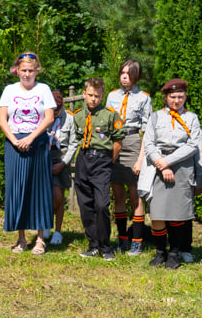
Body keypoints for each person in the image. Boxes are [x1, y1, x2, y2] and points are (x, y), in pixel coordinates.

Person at [137, 79, 202, 269]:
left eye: (180, 96)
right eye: (172, 97)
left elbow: (193, 145)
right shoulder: (156, 117)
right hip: (158, 167)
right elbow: (149, 143)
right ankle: (160, 252)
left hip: (182, 168)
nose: (176, 100)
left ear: (185, 97)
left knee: (177, 213)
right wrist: (162, 164)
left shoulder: (191, 118)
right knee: (158, 213)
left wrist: (169, 161)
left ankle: (174, 253)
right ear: (165, 98)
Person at [0, 51, 56, 255]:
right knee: (18, 189)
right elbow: (1, 119)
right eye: (24, 70)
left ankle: (40, 239)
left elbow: (49, 118)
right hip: (14, 145)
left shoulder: (44, 89)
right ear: (17, 71)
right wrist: (15, 140)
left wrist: (30, 138)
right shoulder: (9, 90)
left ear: (37, 71)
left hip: (37, 143)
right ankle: (21, 239)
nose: (27, 74)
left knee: (39, 190)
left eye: (31, 71)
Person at [71, 77, 125, 260]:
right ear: (84, 94)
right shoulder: (78, 115)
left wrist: (109, 160)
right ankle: (93, 245)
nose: (93, 99)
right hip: (83, 159)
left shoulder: (110, 115)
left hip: (102, 160)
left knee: (101, 204)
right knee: (85, 204)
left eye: (97, 96)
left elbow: (118, 141)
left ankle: (106, 247)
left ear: (102, 96)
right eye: (90, 95)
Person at [106, 60, 152, 256]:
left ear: (136, 76)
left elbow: (147, 132)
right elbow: (106, 123)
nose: (124, 76)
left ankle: (137, 241)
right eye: (122, 73)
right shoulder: (111, 96)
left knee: (136, 197)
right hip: (115, 143)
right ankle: (122, 239)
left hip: (133, 142)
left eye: (128, 73)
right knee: (118, 195)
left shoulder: (143, 98)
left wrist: (140, 159)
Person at [42, 90, 77, 245]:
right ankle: (45, 226)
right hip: (45, 156)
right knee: (44, 195)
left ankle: (58, 231)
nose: (55, 113)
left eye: (57, 110)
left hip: (62, 157)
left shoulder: (70, 118)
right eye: (52, 109)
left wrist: (63, 164)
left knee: (58, 196)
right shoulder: (44, 116)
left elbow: (73, 144)